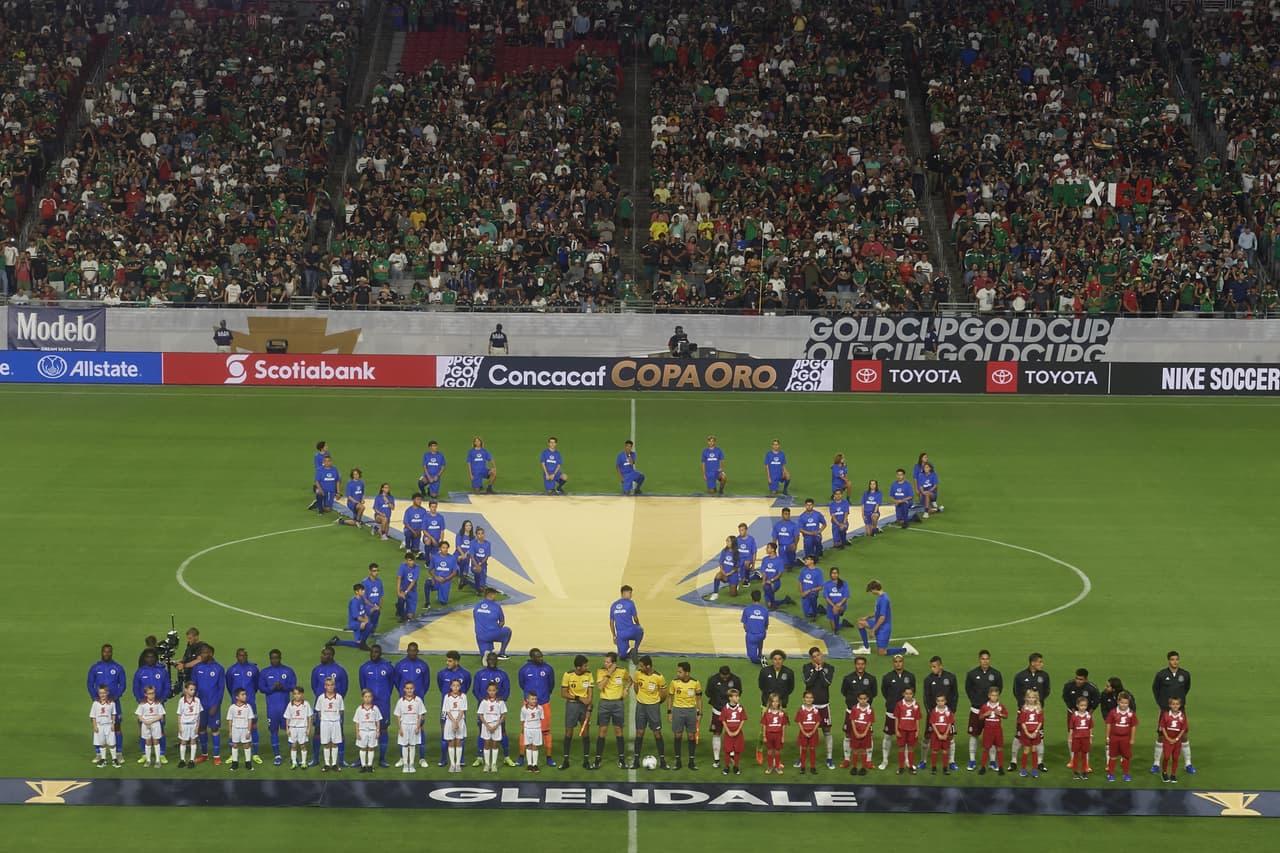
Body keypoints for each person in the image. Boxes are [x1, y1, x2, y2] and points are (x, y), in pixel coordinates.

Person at [1151, 651, 1194, 776]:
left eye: (1177, 659)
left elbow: (1186, 688)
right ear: (1168, 661)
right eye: (1172, 659)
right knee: (1160, 735)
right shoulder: (1161, 674)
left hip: (1180, 710)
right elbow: (1155, 689)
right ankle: (1156, 764)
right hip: (1165, 709)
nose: (1175, 662)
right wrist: (1162, 703)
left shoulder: (1185, 674)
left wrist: (1178, 703)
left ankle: (1188, 763)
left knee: (1184, 735)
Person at [471, 653, 514, 767]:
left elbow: (507, 690)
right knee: (482, 732)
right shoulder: (480, 674)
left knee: (502, 731)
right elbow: (475, 690)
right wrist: (484, 700)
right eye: (490, 659)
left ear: (497, 660)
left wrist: (500, 699)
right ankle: (480, 757)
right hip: (484, 709)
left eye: (494, 659)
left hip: (497, 710)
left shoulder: (503, 674)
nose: (492, 661)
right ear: (486, 660)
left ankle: (506, 756)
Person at [1010, 652, 1052, 772]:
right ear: (1032, 663)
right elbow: (1016, 692)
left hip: (1037, 712)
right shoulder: (1020, 676)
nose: (1041, 664)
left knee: (1039, 736)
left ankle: (1040, 762)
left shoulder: (1044, 676)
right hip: (1023, 712)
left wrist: (1038, 704)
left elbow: (1047, 691)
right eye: (1039, 662)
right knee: (1018, 736)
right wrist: (1025, 706)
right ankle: (1013, 761)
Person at [310, 646, 349, 768]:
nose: (322, 656)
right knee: (317, 732)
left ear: (331, 655)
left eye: (325, 654)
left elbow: (344, 688)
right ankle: (315, 759)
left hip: (335, 709)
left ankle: (340, 760)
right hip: (320, 706)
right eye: (322, 654)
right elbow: (314, 686)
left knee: (339, 734)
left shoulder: (340, 670)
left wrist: (337, 701)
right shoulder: (316, 670)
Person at [856, 580, 918, 657]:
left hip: (883, 628)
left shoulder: (884, 599)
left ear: (875, 588)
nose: (871, 592)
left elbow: (882, 617)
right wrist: (867, 617)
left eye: (871, 590)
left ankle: (906, 649)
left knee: (882, 653)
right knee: (860, 623)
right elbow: (877, 612)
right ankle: (866, 648)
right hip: (878, 624)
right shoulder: (880, 597)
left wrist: (873, 630)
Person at [965, 650, 1004, 770]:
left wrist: (991, 704)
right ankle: (972, 760)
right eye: (983, 659)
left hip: (991, 712)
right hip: (976, 710)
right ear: (979, 659)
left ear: (989, 660)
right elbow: (968, 689)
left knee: (991, 737)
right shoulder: (972, 674)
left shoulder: (996, 674)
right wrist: (975, 701)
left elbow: (999, 688)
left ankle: (992, 761)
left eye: (987, 659)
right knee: (974, 735)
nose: (985, 661)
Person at [87, 644, 127, 761]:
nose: (107, 654)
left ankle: (118, 753)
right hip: (99, 703)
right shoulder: (95, 668)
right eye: (105, 652)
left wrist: (115, 697)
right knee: (97, 726)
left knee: (117, 726)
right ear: (101, 652)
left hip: (114, 703)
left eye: (109, 652)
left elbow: (123, 685)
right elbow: (90, 684)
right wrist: (95, 697)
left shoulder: (118, 668)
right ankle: (99, 753)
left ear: (112, 653)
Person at [258, 649, 297, 766]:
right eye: (272, 658)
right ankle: (277, 755)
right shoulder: (265, 672)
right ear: (270, 658)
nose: (275, 660)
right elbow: (261, 688)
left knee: (289, 731)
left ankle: (293, 755)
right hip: (272, 708)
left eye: (277, 658)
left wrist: (283, 686)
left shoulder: (288, 671)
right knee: (273, 731)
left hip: (286, 708)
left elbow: (293, 686)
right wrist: (272, 688)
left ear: (280, 658)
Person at [921, 655, 960, 770]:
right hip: (933, 715)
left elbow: (955, 695)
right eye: (931, 667)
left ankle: (951, 761)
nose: (932, 669)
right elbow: (926, 698)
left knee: (950, 737)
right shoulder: (928, 680)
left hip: (947, 715)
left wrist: (952, 711)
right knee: (927, 737)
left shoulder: (951, 677)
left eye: (934, 666)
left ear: (940, 666)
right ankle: (923, 761)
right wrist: (931, 713)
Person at [517, 649, 556, 766]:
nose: (541, 658)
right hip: (528, 705)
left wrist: (544, 696)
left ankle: (549, 757)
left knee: (546, 731)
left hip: (544, 704)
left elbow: (551, 685)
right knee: (524, 730)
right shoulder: (524, 669)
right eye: (538, 657)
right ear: (532, 657)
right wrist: (530, 699)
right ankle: (521, 756)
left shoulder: (548, 668)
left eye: (541, 656)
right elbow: (522, 684)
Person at [358, 645, 394, 768]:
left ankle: (382, 759)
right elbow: (362, 686)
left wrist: (384, 696)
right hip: (369, 703)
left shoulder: (388, 667)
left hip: (383, 703)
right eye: (373, 652)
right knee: (364, 729)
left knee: (383, 729)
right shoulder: (364, 668)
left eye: (377, 652)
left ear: (381, 653)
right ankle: (361, 759)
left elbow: (391, 684)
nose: (374, 654)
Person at [132, 650, 171, 764]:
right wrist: (140, 700)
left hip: (158, 705)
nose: (150, 659)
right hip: (144, 705)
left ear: (156, 658)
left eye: (152, 657)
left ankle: (162, 754)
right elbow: (135, 687)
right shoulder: (140, 672)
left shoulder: (162, 672)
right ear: (145, 659)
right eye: (148, 657)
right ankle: (145, 754)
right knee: (143, 730)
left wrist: (162, 699)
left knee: (161, 729)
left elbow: (167, 687)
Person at [594, 652, 632, 769]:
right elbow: (600, 687)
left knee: (618, 731)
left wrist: (626, 689)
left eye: (608, 662)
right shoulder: (601, 671)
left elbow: (630, 681)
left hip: (618, 704)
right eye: (605, 662)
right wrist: (609, 673)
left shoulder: (622, 671)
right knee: (603, 731)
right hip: (604, 703)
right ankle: (597, 759)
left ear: (614, 663)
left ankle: (621, 759)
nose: (605, 664)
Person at [879, 654, 917, 770]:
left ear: (903, 662)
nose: (898, 663)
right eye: (896, 661)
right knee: (887, 736)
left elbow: (913, 691)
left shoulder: (910, 676)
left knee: (905, 739)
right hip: (891, 712)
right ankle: (885, 760)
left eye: (900, 661)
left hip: (906, 714)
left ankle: (906, 760)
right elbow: (884, 691)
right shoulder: (887, 677)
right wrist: (891, 703)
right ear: (893, 663)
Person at [394, 646, 430, 768]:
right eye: (410, 650)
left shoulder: (423, 665)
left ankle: (421, 758)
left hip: (418, 702)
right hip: (404, 703)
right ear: (407, 651)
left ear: (417, 651)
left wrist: (420, 694)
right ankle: (402, 758)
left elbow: (426, 683)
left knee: (420, 728)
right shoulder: (400, 665)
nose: (412, 652)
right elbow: (396, 682)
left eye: (414, 650)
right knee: (402, 730)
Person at [839, 655, 878, 768]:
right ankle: (847, 759)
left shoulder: (871, 679)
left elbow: (874, 693)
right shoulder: (848, 678)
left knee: (868, 735)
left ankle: (868, 761)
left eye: (862, 664)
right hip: (851, 711)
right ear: (855, 665)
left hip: (866, 712)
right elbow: (844, 692)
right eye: (858, 664)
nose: (860, 666)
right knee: (847, 734)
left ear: (865, 665)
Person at [557, 655, 594, 770]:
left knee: (586, 733)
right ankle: (566, 760)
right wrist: (578, 698)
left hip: (584, 707)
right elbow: (563, 693)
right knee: (569, 732)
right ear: (578, 667)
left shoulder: (589, 675)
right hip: (572, 706)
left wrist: (589, 709)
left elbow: (590, 695)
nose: (587, 667)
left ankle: (586, 760)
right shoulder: (568, 675)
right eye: (585, 665)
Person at [801, 647, 837, 769]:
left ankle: (829, 757)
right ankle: (802, 759)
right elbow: (808, 683)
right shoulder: (806, 668)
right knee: (806, 732)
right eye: (814, 656)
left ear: (822, 655)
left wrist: (820, 670)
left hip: (824, 705)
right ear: (811, 658)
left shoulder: (829, 668)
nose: (817, 658)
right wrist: (815, 671)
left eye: (819, 655)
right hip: (810, 707)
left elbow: (826, 683)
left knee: (826, 731)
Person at [224, 648, 261, 764]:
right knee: (234, 727)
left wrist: (248, 697)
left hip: (251, 703)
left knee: (253, 727)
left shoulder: (254, 669)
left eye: (245, 655)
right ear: (236, 656)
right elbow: (229, 686)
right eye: (240, 655)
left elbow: (256, 686)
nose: (243, 657)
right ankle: (232, 754)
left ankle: (255, 754)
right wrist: (237, 698)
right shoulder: (231, 670)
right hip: (236, 705)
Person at [436, 651, 473, 767]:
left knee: (459, 734)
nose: (447, 662)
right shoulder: (442, 674)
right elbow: (440, 687)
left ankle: (460, 759)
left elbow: (465, 689)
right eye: (447, 660)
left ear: (456, 662)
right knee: (444, 734)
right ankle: (443, 758)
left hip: (460, 710)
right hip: (446, 709)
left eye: (450, 660)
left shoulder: (465, 674)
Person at [632, 655, 668, 769]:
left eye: (641, 666)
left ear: (648, 666)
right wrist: (642, 698)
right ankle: (636, 760)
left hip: (653, 707)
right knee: (639, 733)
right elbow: (636, 687)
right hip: (641, 707)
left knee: (657, 733)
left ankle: (662, 760)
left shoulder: (659, 677)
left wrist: (655, 702)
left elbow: (663, 694)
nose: (639, 667)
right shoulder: (638, 674)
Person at [191, 645, 226, 765]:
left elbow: (221, 689)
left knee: (215, 729)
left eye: (205, 653)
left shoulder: (219, 669)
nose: (203, 655)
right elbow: (193, 686)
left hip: (213, 704)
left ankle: (216, 756)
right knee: (201, 728)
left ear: (211, 653)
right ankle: (204, 755)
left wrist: (216, 705)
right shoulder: (197, 668)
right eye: (202, 653)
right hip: (200, 705)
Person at [1062, 667, 1101, 772]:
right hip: (1072, 714)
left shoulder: (1092, 688)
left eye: (1081, 679)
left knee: (1087, 738)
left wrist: (1090, 712)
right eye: (1077, 678)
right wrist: (1073, 710)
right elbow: (1065, 697)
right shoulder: (1068, 685)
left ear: (1086, 679)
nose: (1078, 681)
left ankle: (1086, 763)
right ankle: (1072, 760)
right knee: (1071, 736)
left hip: (1086, 716)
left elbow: (1097, 700)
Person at [666, 661, 702, 771]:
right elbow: (670, 697)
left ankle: (691, 761)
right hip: (678, 711)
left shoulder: (695, 683)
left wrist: (700, 713)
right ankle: (678, 761)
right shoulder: (674, 682)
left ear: (687, 673)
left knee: (691, 736)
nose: (678, 673)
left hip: (691, 711)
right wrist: (670, 712)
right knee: (677, 735)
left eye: (680, 671)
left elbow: (699, 698)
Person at [1105, 690, 1138, 782]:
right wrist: (1107, 737)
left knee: (1126, 757)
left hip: (1125, 738)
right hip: (1114, 738)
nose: (1124, 705)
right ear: (1118, 702)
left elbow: (1133, 726)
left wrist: (1132, 738)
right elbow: (1108, 724)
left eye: (1126, 703)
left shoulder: (1131, 713)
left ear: (1128, 703)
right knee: (1113, 756)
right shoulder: (1113, 712)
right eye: (1122, 702)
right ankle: (1111, 774)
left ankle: (1126, 774)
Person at [476, 681, 508, 773]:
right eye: (490, 690)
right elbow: (480, 715)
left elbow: (503, 715)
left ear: (496, 690)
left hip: (496, 726)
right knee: (486, 744)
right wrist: (487, 725)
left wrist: (497, 725)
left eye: (493, 690)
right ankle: (487, 764)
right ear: (487, 691)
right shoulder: (484, 702)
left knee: (495, 744)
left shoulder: (500, 702)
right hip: (486, 726)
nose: (491, 692)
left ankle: (493, 764)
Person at [316, 676, 346, 772]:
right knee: (326, 743)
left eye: (332, 685)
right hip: (325, 723)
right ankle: (326, 764)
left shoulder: (339, 697)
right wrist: (323, 719)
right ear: (325, 686)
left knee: (335, 743)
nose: (330, 687)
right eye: (328, 685)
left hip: (335, 722)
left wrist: (338, 721)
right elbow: (319, 711)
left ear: (334, 686)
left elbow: (341, 711)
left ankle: (334, 764)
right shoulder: (321, 698)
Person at [473, 587, 512, 660]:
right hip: (492, 633)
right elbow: (502, 622)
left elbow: (475, 619)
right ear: (491, 595)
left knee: (488, 655)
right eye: (494, 595)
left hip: (480, 636)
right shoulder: (496, 606)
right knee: (507, 630)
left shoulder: (477, 605)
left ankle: (487, 654)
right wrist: (495, 630)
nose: (495, 596)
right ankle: (502, 653)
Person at [976, 686, 1008, 776]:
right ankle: (983, 767)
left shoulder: (1001, 706)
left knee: (999, 748)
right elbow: (980, 717)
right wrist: (985, 714)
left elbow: (1006, 716)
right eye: (992, 695)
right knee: (986, 748)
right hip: (988, 730)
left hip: (998, 730)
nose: (994, 697)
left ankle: (1001, 767)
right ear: (989, 695)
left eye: (996, 695)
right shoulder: (985, 706)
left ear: (998, 696)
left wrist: (1000, 714)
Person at [1157, 697, 1188, 784]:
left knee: (1175, 758)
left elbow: (1183, 729)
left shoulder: (1182, 716)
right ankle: (1164, 772)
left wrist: (1177, 738)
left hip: (1177, 741)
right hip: (1167, 740)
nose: (1175, 706)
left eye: (1177, 704)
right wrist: (1167, 738)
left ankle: (1173, 774)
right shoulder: (1166, 715)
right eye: (1173, 704)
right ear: (1170, 705)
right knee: (1166, 757)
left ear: (1180, 705)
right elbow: (1162, 727)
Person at [331, 584, 372, 650]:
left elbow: (364, 613)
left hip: (360, 622)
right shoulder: (354, 602)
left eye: (363, 590)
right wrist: (365, 621)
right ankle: (363, 644)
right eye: (362, 590)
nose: (364, 591)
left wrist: (366, 619)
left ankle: (337, 642)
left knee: (357, 644)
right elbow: (357, 617)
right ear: (357, 592)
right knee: (369, 625)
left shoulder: (362, 599)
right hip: (354, 623)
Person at [134, 685, 166, 769]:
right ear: (145, 694)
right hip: (145, 724)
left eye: (153, 693)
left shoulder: (158, 703)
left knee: (156, 741)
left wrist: (151, 721)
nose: (151, 695)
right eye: (149, 694)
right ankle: (148, 760)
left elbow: (161, 715)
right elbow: (139, 715)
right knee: (147, 741)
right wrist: (145, 721)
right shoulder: (142, 704)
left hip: (155, 724)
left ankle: (158, 760)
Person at [91, 686, 123, 767]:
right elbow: (93, 716)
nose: (102, 695)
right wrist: (94, 726)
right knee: (102, 743)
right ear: (98, 694)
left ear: (107, 693)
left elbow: (113, 714)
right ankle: (103, 759)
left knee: (112, 743)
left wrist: (113, 724)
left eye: (104, 693)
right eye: (101, 693)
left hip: (108, 726)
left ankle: (114, 759)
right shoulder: (95, 703)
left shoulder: (111, 703)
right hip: (99, 726)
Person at [609, 585, 643, 661]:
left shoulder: (613, 605)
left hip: (620, 635)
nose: (631, 595)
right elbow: (635, 618)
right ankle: (635, 650)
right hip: (630, 631)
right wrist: (638, 626)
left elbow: (611, 622)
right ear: (624, 593)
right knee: (640, 630)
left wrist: (614, 636)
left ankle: (629, 652)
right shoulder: (630, 603)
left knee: (622, 656)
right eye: (630, 593)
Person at [845, 691, 875, 776]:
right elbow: (852, 720)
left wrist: (865, 732)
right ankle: (854, 767)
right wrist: (855, 732)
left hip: (865, 733)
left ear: (868, 699)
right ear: (858, 699)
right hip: (855, 733)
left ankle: (863, 768)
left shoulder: (870, 709)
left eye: (864, 699)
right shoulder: (854, 708)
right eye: (861, 699)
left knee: (863, 750)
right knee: (855, 750)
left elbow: (869, 722)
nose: (863, 700)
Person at [441, 678, 469, 772]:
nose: (455, 687)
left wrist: (457, 721)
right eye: (453, 685)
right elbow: (447, 711)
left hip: (460, 721)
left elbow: (462, 710)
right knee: (451, 742)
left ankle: (458, 764)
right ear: (450, 686)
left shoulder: (463, 696)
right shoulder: (447, 697)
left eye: (457, 686)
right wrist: (453, 721)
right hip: (450, 722)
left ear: (460, 687)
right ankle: (452, 764)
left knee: (459, 742)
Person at [1016, 690, 1045, 778]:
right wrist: (1027, 733)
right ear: (1026, 698)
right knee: (1026, 750)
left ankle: (1034, 769)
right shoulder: (1024, 709)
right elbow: (1022, 722)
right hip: (1026, 733)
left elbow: (1040, 722)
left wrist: (1036, 732)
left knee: (1034, 750)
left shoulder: (1039, 709)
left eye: (1033, 697)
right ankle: (1023, 769)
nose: (1031, 699)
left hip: (1035, 733)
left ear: (1036, 698)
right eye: (1029, 697)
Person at [174, 681, 203, 769]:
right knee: (183, 742)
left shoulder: (197, 700)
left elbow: (198, 715)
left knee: (193, 741)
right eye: (191, 689)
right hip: (184, 724)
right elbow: (179, 715)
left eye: (194, 689)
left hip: (193, 724)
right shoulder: (181, 701)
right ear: (185, 690)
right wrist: (179, 727)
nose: (193, 691)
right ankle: (182, 760)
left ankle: (191, 760)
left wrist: (197, 726)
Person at [225, 688, 256, 770]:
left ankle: (248, 763)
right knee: (235, 745)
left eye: (245, 694)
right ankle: (235, 764)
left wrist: (249, 731)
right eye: (242, 694)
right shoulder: (232, 707)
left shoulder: (248, 707)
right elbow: (230, 720)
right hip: (235, 729)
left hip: (245, 729)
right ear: (237, 697)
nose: (245, 696)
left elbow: (250, 719)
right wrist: (230, 731)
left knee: (247, 745)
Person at [894, 686, 922, 774]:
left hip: (912, 730)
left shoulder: (916, 705)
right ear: (903, 694)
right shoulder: (899, 704)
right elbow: (897, 718)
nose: (908, 695)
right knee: (901, 748)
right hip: (902, 730)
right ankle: (901, 767)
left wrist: (917, 730)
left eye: (910, 694)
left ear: (913, 694)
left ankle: (910, 766)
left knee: (910, 749)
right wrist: (896, 730)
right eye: (906, 694)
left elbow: (917, 718)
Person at [284, 686, 314, 770]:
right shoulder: (290, 704)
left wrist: (308, 729)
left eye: (298, 694)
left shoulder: (306, 704)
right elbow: (287, 718)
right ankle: (294, 763)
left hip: (302, 728)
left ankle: (304, 762)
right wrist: (287, 728)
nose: (297, 696)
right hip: (293, 728)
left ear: (302, 694)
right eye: (295, 694)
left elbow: (310, 717)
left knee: (303, 745)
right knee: (293, 745)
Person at [1068, 694, 1095, 780]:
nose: (1083, 707)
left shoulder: (1088, 716)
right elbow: (1071, 728)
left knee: (1084, 755)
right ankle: (1076, 772)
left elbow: (1090, 727)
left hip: (1085, 738)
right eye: (1081, 705)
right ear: (1077, 705)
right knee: (1075, 755)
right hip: (1076, 738)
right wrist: (1070, 738)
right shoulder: (1074, 716)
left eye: (1085, 706)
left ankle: (1084, 772)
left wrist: (1090, 737)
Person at [928, 693, 955, 775]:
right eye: (939, 701)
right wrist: (938, 735)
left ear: (945, 701)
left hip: (945, 734)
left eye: (942, 701)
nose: (940, 702)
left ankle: (945, 768)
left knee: (945, 751)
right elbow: (933, 723)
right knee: (934, 751)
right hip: (936, 735)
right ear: (936, 702)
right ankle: (934, 767)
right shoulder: (934, 711)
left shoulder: (948, 711)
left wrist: (946, 734)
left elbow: (950, 723)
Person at [707, 535, 740, 600]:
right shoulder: (724, 551)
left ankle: (736, 585)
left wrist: (729, 573)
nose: (727, 542)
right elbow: (721, 563)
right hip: (724, 573)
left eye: (728, 541)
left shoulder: (737, 553)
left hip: (732, 574)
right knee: (717, 576)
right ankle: (715, 593)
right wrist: (722, 571)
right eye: (726, 541)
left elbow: (736, 568)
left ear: (733, 542)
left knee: (733, 595)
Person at [427, 541, 459, 608]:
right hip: (436, 579)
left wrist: (446, 579)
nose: (445, 549)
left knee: (443, 602)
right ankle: (427, 602)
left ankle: (440, 594)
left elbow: (455, 572)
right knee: (427, 583)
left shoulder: (452, 558)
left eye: (447, 548)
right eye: (443, 548)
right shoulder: (435, 557)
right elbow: (430, 570)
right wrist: (436, 577)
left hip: (446, 580)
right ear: (439, 548)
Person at [741, 590, 769, 665]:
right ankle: (760, 653)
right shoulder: (765, 610)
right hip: (762, 634)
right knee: (759, 640)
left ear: (752, 598)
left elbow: (744, 625)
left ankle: (761, 661)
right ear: (760, 598)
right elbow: (766, 626)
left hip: (751, 636)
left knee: (752, 657)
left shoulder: (747, 610)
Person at [519, 692, 544, 772]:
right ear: (527, 700)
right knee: (528, 746)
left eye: (535, 699)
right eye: (532, 699)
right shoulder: (523, 709)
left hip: (536, 729)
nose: (534, 701)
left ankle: (535, 765)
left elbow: (541, 718)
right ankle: (529, 764)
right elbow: (522, 720)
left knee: (535, 746)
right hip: (527, 729)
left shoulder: (540, 708)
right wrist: (523, 729)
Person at [821, 567, 851, 635]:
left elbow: (846, 596)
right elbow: (826, 597)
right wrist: (833, 605)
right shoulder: (827, 584)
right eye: (833, 573)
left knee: (836, 610)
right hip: (831, 606)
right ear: (830, 574)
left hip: (841, 605)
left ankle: (837, 628)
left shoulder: (844, 583)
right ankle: (843, 624)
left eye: (836, 573)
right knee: (834, 627)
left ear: (838, 574)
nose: (834, 575)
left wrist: (839, 604)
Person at [401, 494, 430, 559]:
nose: (420, 501)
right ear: (413, 500)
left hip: (418, 531)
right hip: (409, 530)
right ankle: (408, 548)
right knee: (408, 533)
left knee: (415, 549)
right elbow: (406, 523)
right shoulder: (408, 510)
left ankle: (408, 545)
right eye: (418, 499)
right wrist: (413, 531)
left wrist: (419, 530)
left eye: (420, 499)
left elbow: (424, 522)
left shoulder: (423, 510)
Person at [359, 563, 384, 635]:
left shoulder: (379, 582)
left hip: (376, 606)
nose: (376, 572)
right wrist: (373, 607)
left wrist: (379, 606)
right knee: (368, 623)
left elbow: (381, 596)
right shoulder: (365, 582)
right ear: (370, 571)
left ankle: (371, 632)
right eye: (374, 571)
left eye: (377, 571)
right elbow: (364, 598)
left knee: (376, 615)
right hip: (367, 605)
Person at [760, 542, 786, 610]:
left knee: (767, 588)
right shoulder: (765, 559)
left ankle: (774, 604)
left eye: (768, 547)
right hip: (766, 581)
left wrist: (771, 580)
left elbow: (780, 574)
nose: (766, 549)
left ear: (773, 549)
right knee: (769, 604)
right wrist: (764, 581)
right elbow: (763, 572)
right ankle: (784, 601)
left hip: (775, 582)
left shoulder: (779, 560)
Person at [396, 554, 421, 623]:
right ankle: (401, 612)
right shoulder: (402, 566)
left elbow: (413, 582)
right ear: (406, 561)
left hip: (412, 592)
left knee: (410, 616)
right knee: (401, 599)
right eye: (409, 560)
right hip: (402, 590)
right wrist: (398, 592)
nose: (411, 562)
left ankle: (400, 608)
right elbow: (399, 578)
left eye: (412, 560)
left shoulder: (417, 567)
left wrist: (406, 592)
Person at [798, 555, 824, 620]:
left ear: (812, 561)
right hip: (805, 594)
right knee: (807, 613)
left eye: (808, 559)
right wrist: (802, 593)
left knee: (812, 597)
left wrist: (809, 591)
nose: (805, 560)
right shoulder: (804, 570)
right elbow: (800, 582)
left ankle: (815, 613)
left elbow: (820, 587)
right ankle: (819, 609)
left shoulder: (818, 572)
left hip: (812, 593)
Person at [308, 441, 331, 511]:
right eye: (325, 446)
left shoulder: (328, 453)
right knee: (322, 491)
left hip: (327, 473)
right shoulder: (317, 456)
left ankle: (319, 503)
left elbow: (329, 462)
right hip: (321, 474)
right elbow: (317, 467)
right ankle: (318, 503)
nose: (327, 447)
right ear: (322, 448)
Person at [455, 519, 476, 589]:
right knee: (462, 559)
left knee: (466, 559)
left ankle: (462, 579)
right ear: (464, 527)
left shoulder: (473, 537)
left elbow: (471, 548)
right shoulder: (460, 535)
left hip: (466, 556)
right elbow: (458, 546)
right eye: (467, 525)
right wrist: (462, 554)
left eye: (470, 525)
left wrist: (466, 554)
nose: (468, 527)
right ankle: (463, 579)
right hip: (458, 554)